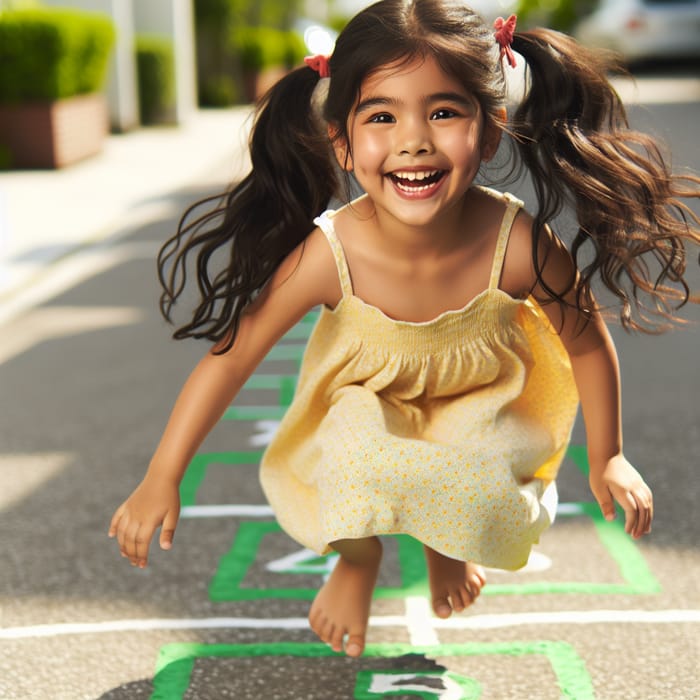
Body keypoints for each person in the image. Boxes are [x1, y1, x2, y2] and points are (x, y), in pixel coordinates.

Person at [109, 0, 699, 659]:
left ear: (493, 128)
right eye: (382, 116)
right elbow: (230, 358)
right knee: (353, 465)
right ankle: (357, 563)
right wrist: (163, 473)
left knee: (479, 495)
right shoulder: (326, 253)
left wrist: (608, 456)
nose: (413, 139)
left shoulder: (521, 246)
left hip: (485, 402)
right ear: (340, 139)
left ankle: (445, 544)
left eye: (443, 112)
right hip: (364, 404)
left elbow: (587, 344)